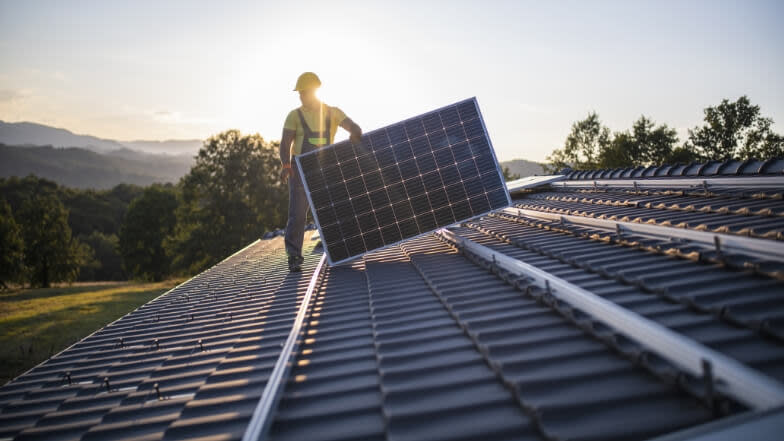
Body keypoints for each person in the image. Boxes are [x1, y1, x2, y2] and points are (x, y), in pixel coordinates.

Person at [280, 72, 362, 272]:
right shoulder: (294, 115)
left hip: (325, 168)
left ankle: (340, 248)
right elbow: (285, 143)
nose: (300, 96)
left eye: (303, 92)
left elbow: (352, 126)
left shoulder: (332, 112)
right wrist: (285, 166)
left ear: (314, 91)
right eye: (299, 93)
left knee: (331, 210)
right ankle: (294, 256)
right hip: (299, 170)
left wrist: (355, 132)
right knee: (298, 214)